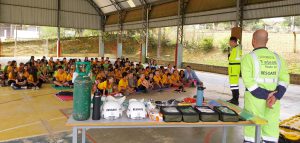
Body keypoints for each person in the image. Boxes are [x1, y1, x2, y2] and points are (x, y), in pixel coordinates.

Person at [241, 30, 289, 143]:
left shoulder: (248, 58)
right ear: (267, 41)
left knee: (252, 131)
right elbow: (284, 79)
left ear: (253, 41)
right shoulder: (278, 59)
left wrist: (265, 95)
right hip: (273, 102)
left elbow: (248, 82)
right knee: (270, 130)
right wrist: (275, 96)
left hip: (254, 102)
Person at [227, 36, 242, 105]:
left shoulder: (236, 49)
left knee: (234, 84)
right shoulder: (237, 48)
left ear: (233, 42)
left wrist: (229, 55)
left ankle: (235, 100)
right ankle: (234, 98)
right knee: (234, 84)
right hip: (234, 68)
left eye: (230, 42)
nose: (229, 43)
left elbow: (231, 59)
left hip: (234, 68)